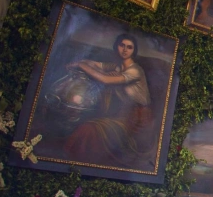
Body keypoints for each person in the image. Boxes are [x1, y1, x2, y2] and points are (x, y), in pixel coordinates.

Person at [63, 33, 153, 168]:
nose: (125, 49)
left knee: (89, 130)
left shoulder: (135, 71)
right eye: (122, 45)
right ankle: (71, 163)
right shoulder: (117, 67)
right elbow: (95, 64)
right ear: (117, 46)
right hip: (121, 114)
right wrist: (79, 62)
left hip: (137, 119)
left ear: (133, 51)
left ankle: (73, 165)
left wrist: (82, 66)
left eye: (129, 47)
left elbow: (104, 79)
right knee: (84, 124)